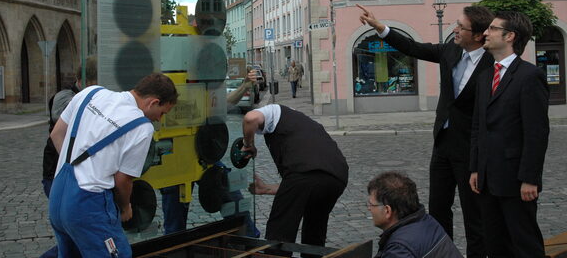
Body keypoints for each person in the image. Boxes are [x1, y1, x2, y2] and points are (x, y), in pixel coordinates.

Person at [358, 4, 493, 258]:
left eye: (461, 27)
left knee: (475, 215)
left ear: (478, 35)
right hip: (443, 143)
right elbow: (414, 48)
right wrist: (380, 28)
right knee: (438, 209)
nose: (455, 29)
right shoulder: (451, 50)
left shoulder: (492, 63)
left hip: (471, 149)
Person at [49, 73, 178, 258]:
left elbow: (57, 134)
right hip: (89, 204)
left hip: (58, 195)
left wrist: (79, 167)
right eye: (162, 112)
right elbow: (123, 180)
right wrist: (125, 208)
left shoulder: (90, 93)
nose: (159, 119)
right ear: (153, 102)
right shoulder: (142, 127)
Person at [469, 11, 549, 257]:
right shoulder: (484, 77)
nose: (485, 33)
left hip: (516, 180)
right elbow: (478, 127)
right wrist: (475, 167)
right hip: (487, 179)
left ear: (510, 36)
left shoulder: (529, 76)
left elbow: (536, 133)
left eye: (492, 29)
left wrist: (530, 178)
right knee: (495, 245)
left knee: (524, 245)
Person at [160, 69, 261, 236]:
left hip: (203, 156)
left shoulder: (200, 88)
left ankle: (250, 239)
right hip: (175, 160)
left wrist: (245, 86)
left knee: (235, 203)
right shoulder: (170, 83)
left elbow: (225, 104)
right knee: (174, 224)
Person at [241, 104, 348, 246]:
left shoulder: (273, 110)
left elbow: (250, 118)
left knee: (279, 232)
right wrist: (267, 189)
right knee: (314, 231)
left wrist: (248, 144)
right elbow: (303, 186)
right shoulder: (301, 123)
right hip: (337, 177)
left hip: (306, 172)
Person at [40, 58, 97, 258]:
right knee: (75, 237)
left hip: (77, 176)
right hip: (57, 174)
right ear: (82, 81)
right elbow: (66, 121)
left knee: (77, 239)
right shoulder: (64, 97)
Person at [367, 171, 462, 258]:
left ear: (387, 210)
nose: (369, 208)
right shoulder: (427, 221)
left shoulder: (399, 249)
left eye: (371, 204)